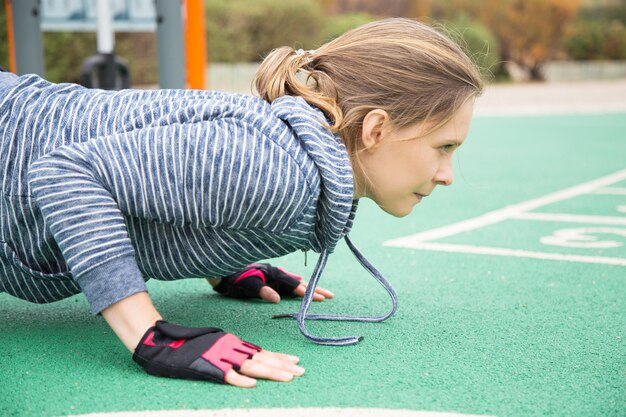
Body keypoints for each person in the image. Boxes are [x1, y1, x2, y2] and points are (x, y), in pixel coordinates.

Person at [0, 18, 483, 388]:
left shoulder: (290, 161)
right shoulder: (277, 168)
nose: (447, 176)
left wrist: (222, 260)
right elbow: (65, 173)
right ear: (375, 130)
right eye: (444, 147)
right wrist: (151, 336)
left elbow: (182, 188)